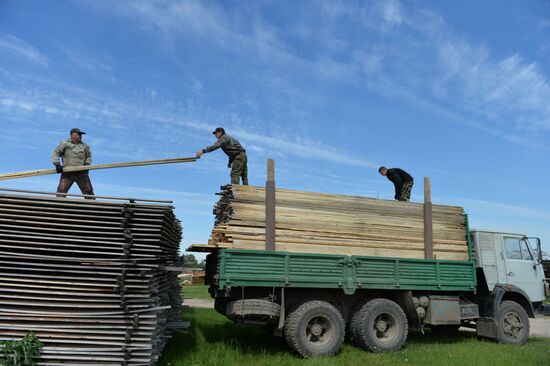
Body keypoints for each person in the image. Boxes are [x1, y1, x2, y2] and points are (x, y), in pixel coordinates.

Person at [51, 128, 95, 199]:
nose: (80, 136)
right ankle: (57, 207)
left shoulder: (85, 146)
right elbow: (56, 153)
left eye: (81, 135)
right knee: (61, 191)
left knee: (88, 190)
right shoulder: (64, 143)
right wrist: (57, 164)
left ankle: (93, 207)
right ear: (72, 135)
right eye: (79, 134)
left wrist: (87, 164)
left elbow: (89, 156)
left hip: (81, 172)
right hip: (67, 172)